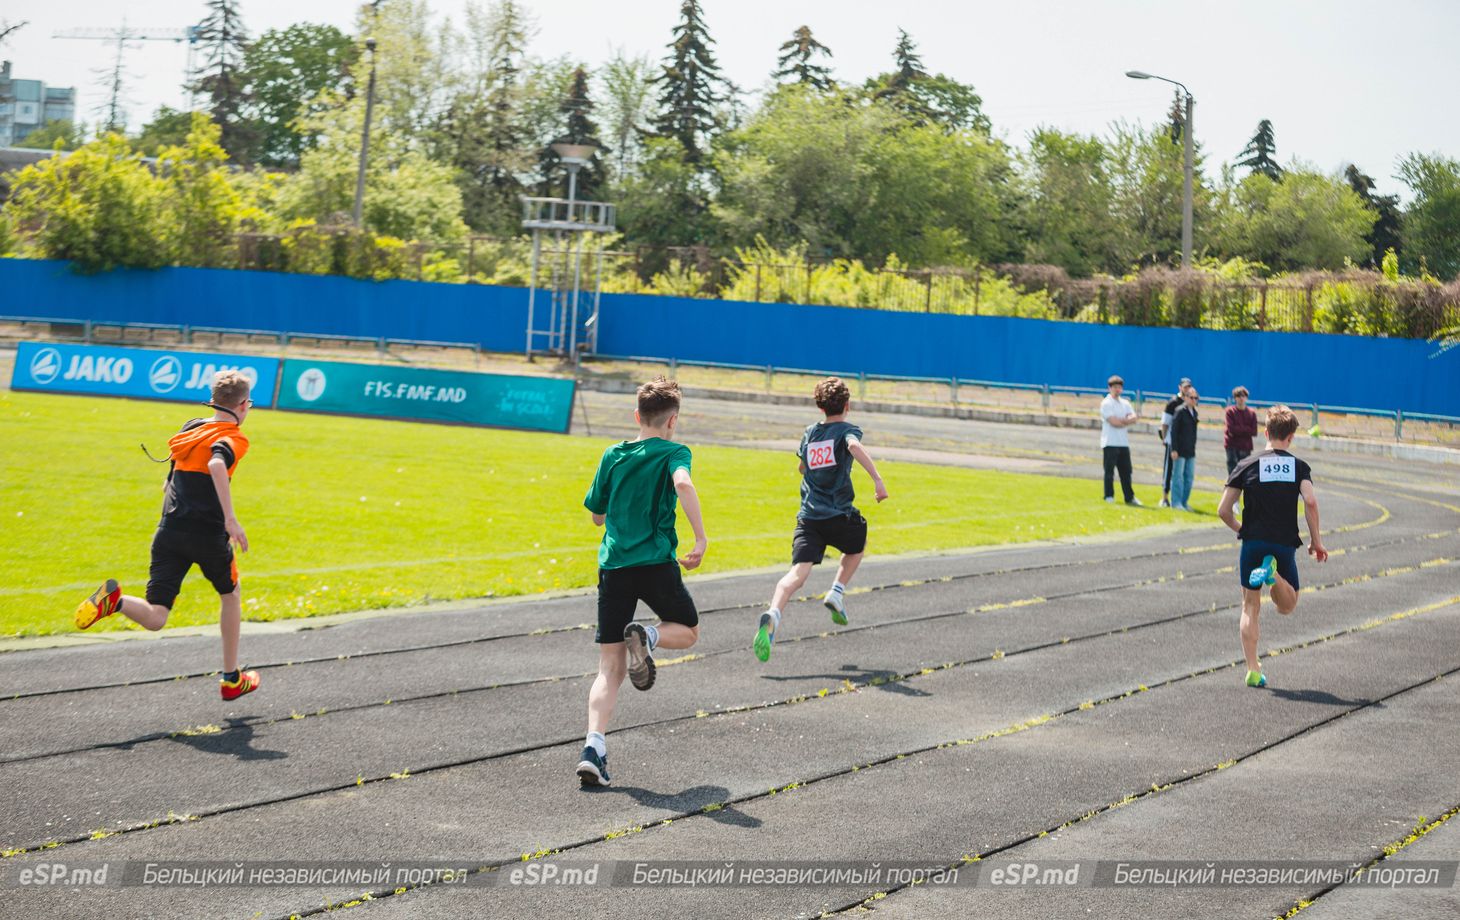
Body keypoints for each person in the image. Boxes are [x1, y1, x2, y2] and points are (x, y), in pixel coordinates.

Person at [74, 370, 261, 701]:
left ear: (214, 400)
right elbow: (218, 465)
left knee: (156, 615)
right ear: (244, 405)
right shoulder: (234, 437)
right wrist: (231, 520)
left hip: (169, 531)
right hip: (207, 536)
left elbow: (168, 483)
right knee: (230, 595)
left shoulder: (190, 428)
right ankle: (232, 679)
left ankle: (114, 601)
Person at [577, 376, 708, 787]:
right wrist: (700, 537)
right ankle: (649, 637)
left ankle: (592, 748)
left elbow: (597, 515)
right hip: (654, 564)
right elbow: (683, 482)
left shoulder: (612, 454)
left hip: (614, 567)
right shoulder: (675, 451)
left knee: (609, 668)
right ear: (672, 422)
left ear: (637, 416)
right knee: (687, 632)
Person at [754, 377, 888, 662]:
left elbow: (802, 466)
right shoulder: (847, 431)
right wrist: (877, 479)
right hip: (838, 515)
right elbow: (853, 447)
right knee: (857, 544)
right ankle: (837, 592)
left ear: (819, 405)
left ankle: (774, 613)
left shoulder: (810, 433)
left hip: (809, 518)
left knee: (797, 574)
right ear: (847, 405)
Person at [1216, 405, 1328, 688]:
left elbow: (1223, 510)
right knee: (1287, 605)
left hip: (1253, 543)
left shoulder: (1245, 465)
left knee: (1249, 606)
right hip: (1283, 544)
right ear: (1290, 437)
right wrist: (1316, 541)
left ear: (1265, 432)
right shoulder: (1299, 467)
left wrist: (1244, 531)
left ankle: (1253, 669)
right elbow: (1311, 502)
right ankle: (1274, 574)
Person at [1099, 375, 1141, 506]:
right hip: (1110, 442)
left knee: (1126, 472)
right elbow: (1113, 422)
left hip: (1123, 442)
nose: (1117, 390)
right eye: (1115, 387)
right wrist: (1125, 421)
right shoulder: (1106, 403)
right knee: (1109, 471)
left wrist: (1123, 421)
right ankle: (1109, 495)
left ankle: (1129, 497)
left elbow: (1134, 417)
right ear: (1109, 388)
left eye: (1119, 387)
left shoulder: (1125, 403)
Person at [1159, 378, 1191, 507]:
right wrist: (1164, 439)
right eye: (1185, 387)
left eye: (1189, 387)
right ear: (1180, 387)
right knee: (1169, 470)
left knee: (1182, 472)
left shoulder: (1190, 402)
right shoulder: (1173, 403)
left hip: (1185, 443)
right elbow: (1165, 423)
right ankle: (1165, 498)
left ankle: (1179, 499)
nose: (1187, 389)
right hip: (1172, 442)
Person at [1168, 387, 1201, 511]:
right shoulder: (1180, 411)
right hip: (1180, 450)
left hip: (1190, 450)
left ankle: (1184, 502)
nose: (1194, 400)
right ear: (1186, 398)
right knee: (1177, 477)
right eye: (1191, 397)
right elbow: (1174, 431)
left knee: (1189, 477)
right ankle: (1176, 502)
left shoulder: (1195, 413)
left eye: (1195, 398)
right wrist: (1174, 449)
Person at [1224, 386, 1258, 475]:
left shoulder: (1252, 413)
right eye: (1238, 396)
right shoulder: (1230, 412)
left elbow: (1254, 432)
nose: (1241, 398)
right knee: (1232, 472)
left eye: (1243, 396)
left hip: (1246, 447)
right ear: (1235, 398)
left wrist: (1238, 429)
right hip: (1232, 446)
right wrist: (1246, 429)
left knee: (1245, 471)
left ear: (1246, 397)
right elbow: (1231, 430)